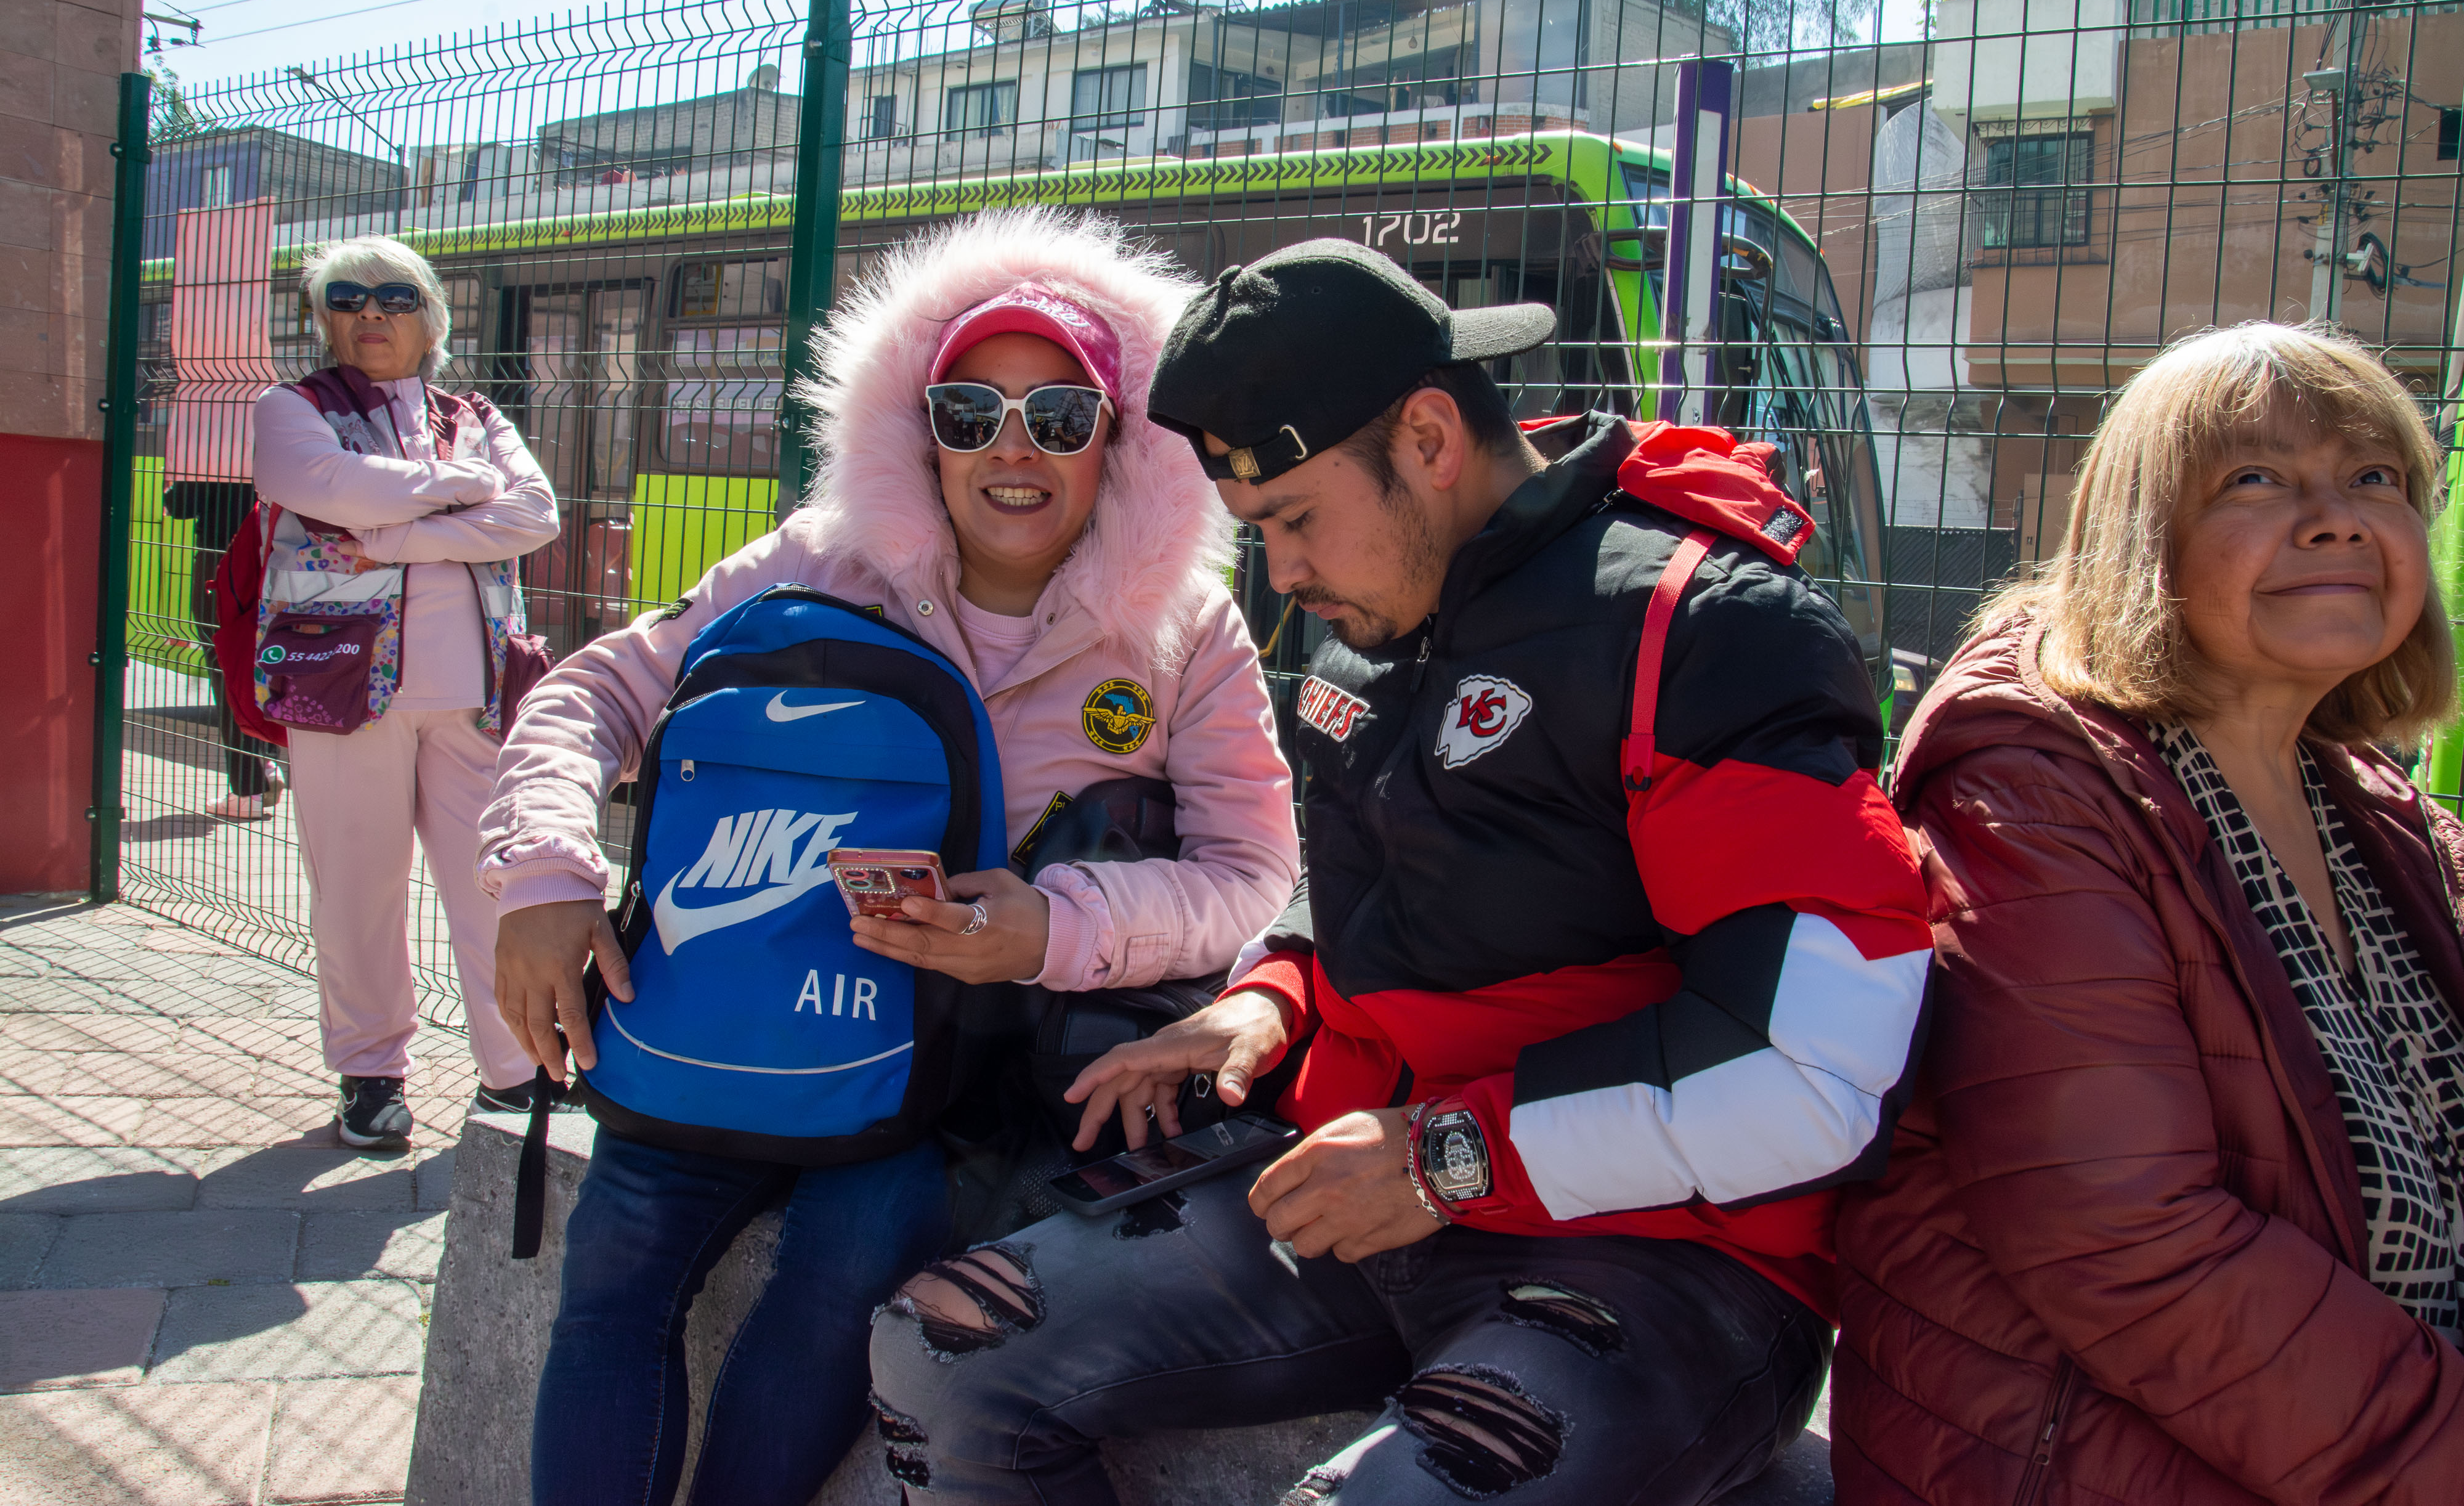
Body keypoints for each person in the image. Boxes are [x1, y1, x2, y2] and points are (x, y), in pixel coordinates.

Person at [866, 238, 1935, 1505]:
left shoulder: (1704, 628)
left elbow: (1816, 1069)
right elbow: (1369, 879)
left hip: (1665, 1258)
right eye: (1259, 531)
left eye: (1294, 519)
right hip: (1361, 1184)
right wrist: (1268, 998)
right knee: (940, 1351)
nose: (1283, 575)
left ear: (1428, 438)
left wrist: (1446, 1156)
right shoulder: (1371, 616)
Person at [476, 208, 1302, 1506]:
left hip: (953, 1070)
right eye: (970, 413)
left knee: (844, 1281)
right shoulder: (819, 561)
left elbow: (1249, 871)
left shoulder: (1184, 630)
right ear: (921, 434)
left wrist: (1056, 926)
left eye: (1061, 417)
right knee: (614, 1274)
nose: (1013, 449)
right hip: (732, 1008)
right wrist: (545, 877)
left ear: (1121, 439)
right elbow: (596, 693)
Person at [1831, 324, 2464, 1503]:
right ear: (2143, 538)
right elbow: (2124, 1242)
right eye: (2256, 478)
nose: (2336, 519)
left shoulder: (2376, 807)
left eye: (2374, 476)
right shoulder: (2030, 787)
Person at [249, 234, 561, 1146]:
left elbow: (533, 513)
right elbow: (318, 482)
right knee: (356, 894)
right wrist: (461, 490)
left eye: (394, 297)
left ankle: (516, 1072)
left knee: (493, 888)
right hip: (341, 691)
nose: (371, 314)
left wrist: (389, 536)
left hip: (476, 696)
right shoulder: (293, 408)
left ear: (432, 318)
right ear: (325, 320)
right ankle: (370, 1072)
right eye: (347, 298)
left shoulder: (475, 414)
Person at [160, 478, 285, 819]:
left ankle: (248, 790)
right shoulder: (275, 449)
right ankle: (264, 762)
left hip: (222, 559)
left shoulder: (212, 453)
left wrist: (173, 485)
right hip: (275, 556)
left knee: (226, 668)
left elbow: (182, 505)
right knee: (264, 662)